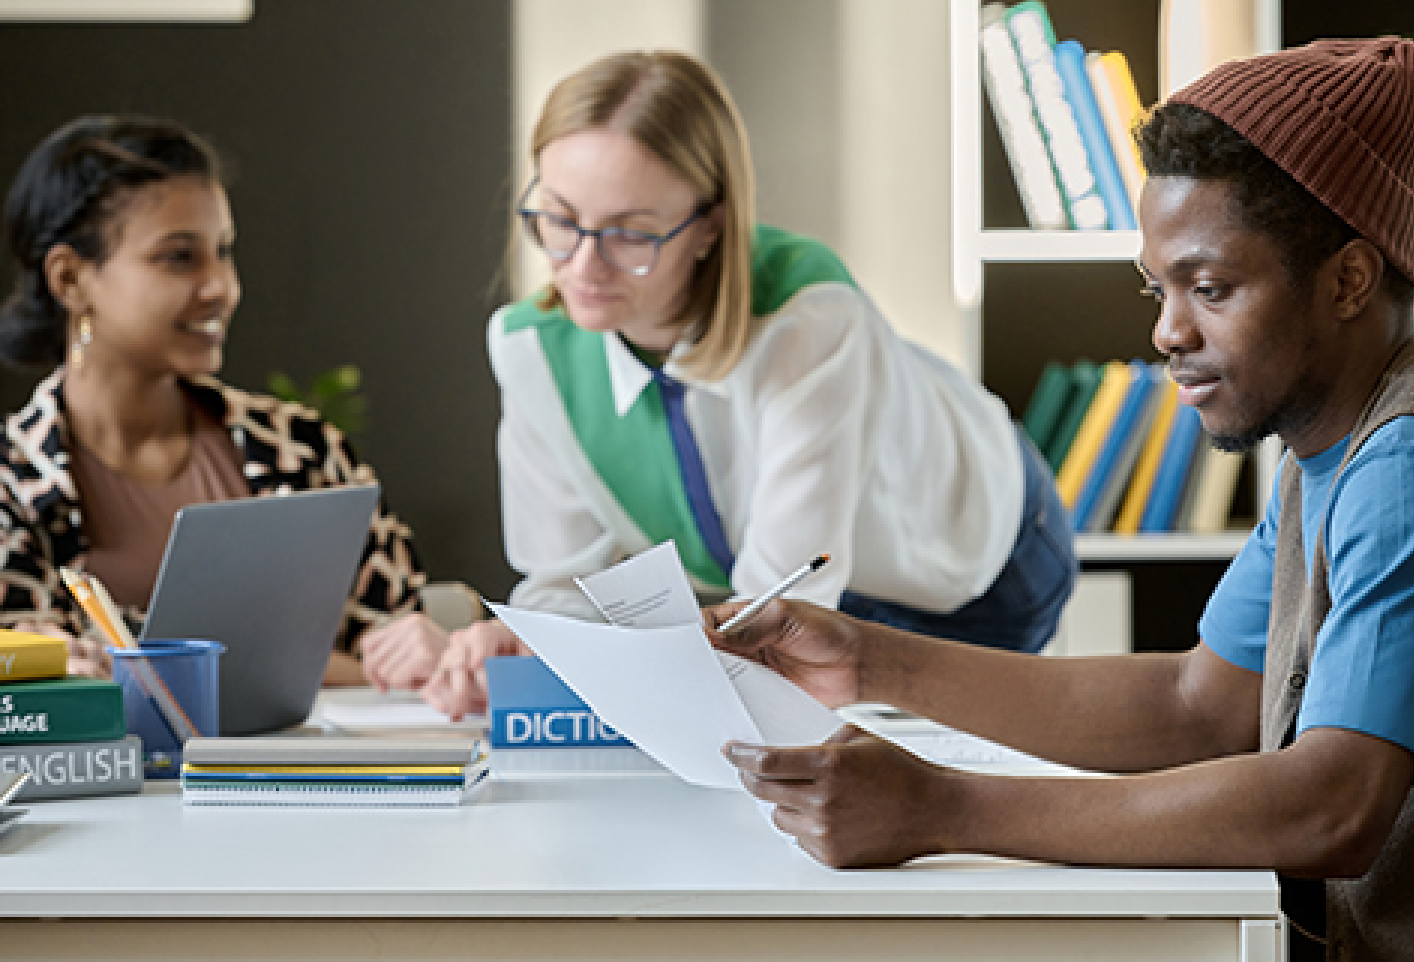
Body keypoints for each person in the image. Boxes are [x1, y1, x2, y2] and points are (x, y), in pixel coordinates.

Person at [707, 38, 1414, 960]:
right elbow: (1200, 704)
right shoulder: (1332, 448)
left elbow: (1327, 812)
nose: (1168, 334)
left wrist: (941, 810)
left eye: (1210, 288)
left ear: (1349, 278)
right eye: (1158, 292)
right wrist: (868, 662)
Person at [421, 49, 1075, 716]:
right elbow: (566, 586)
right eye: (559, 219)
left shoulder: (807, 318)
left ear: (709, 225)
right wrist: (524, 647)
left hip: (974, 568)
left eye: (630, 233)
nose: (584, 264)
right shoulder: (531, 347)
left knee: (945, 793)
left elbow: (778, 614)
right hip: (805, 600)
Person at [0, 114, 443, 690]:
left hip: (313, 779)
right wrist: (319, 669)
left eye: (223, 253)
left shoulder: (302, 449)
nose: (223, 287)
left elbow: (401, 658)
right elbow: (25, 682)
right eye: (179, 257)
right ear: (69, 279)